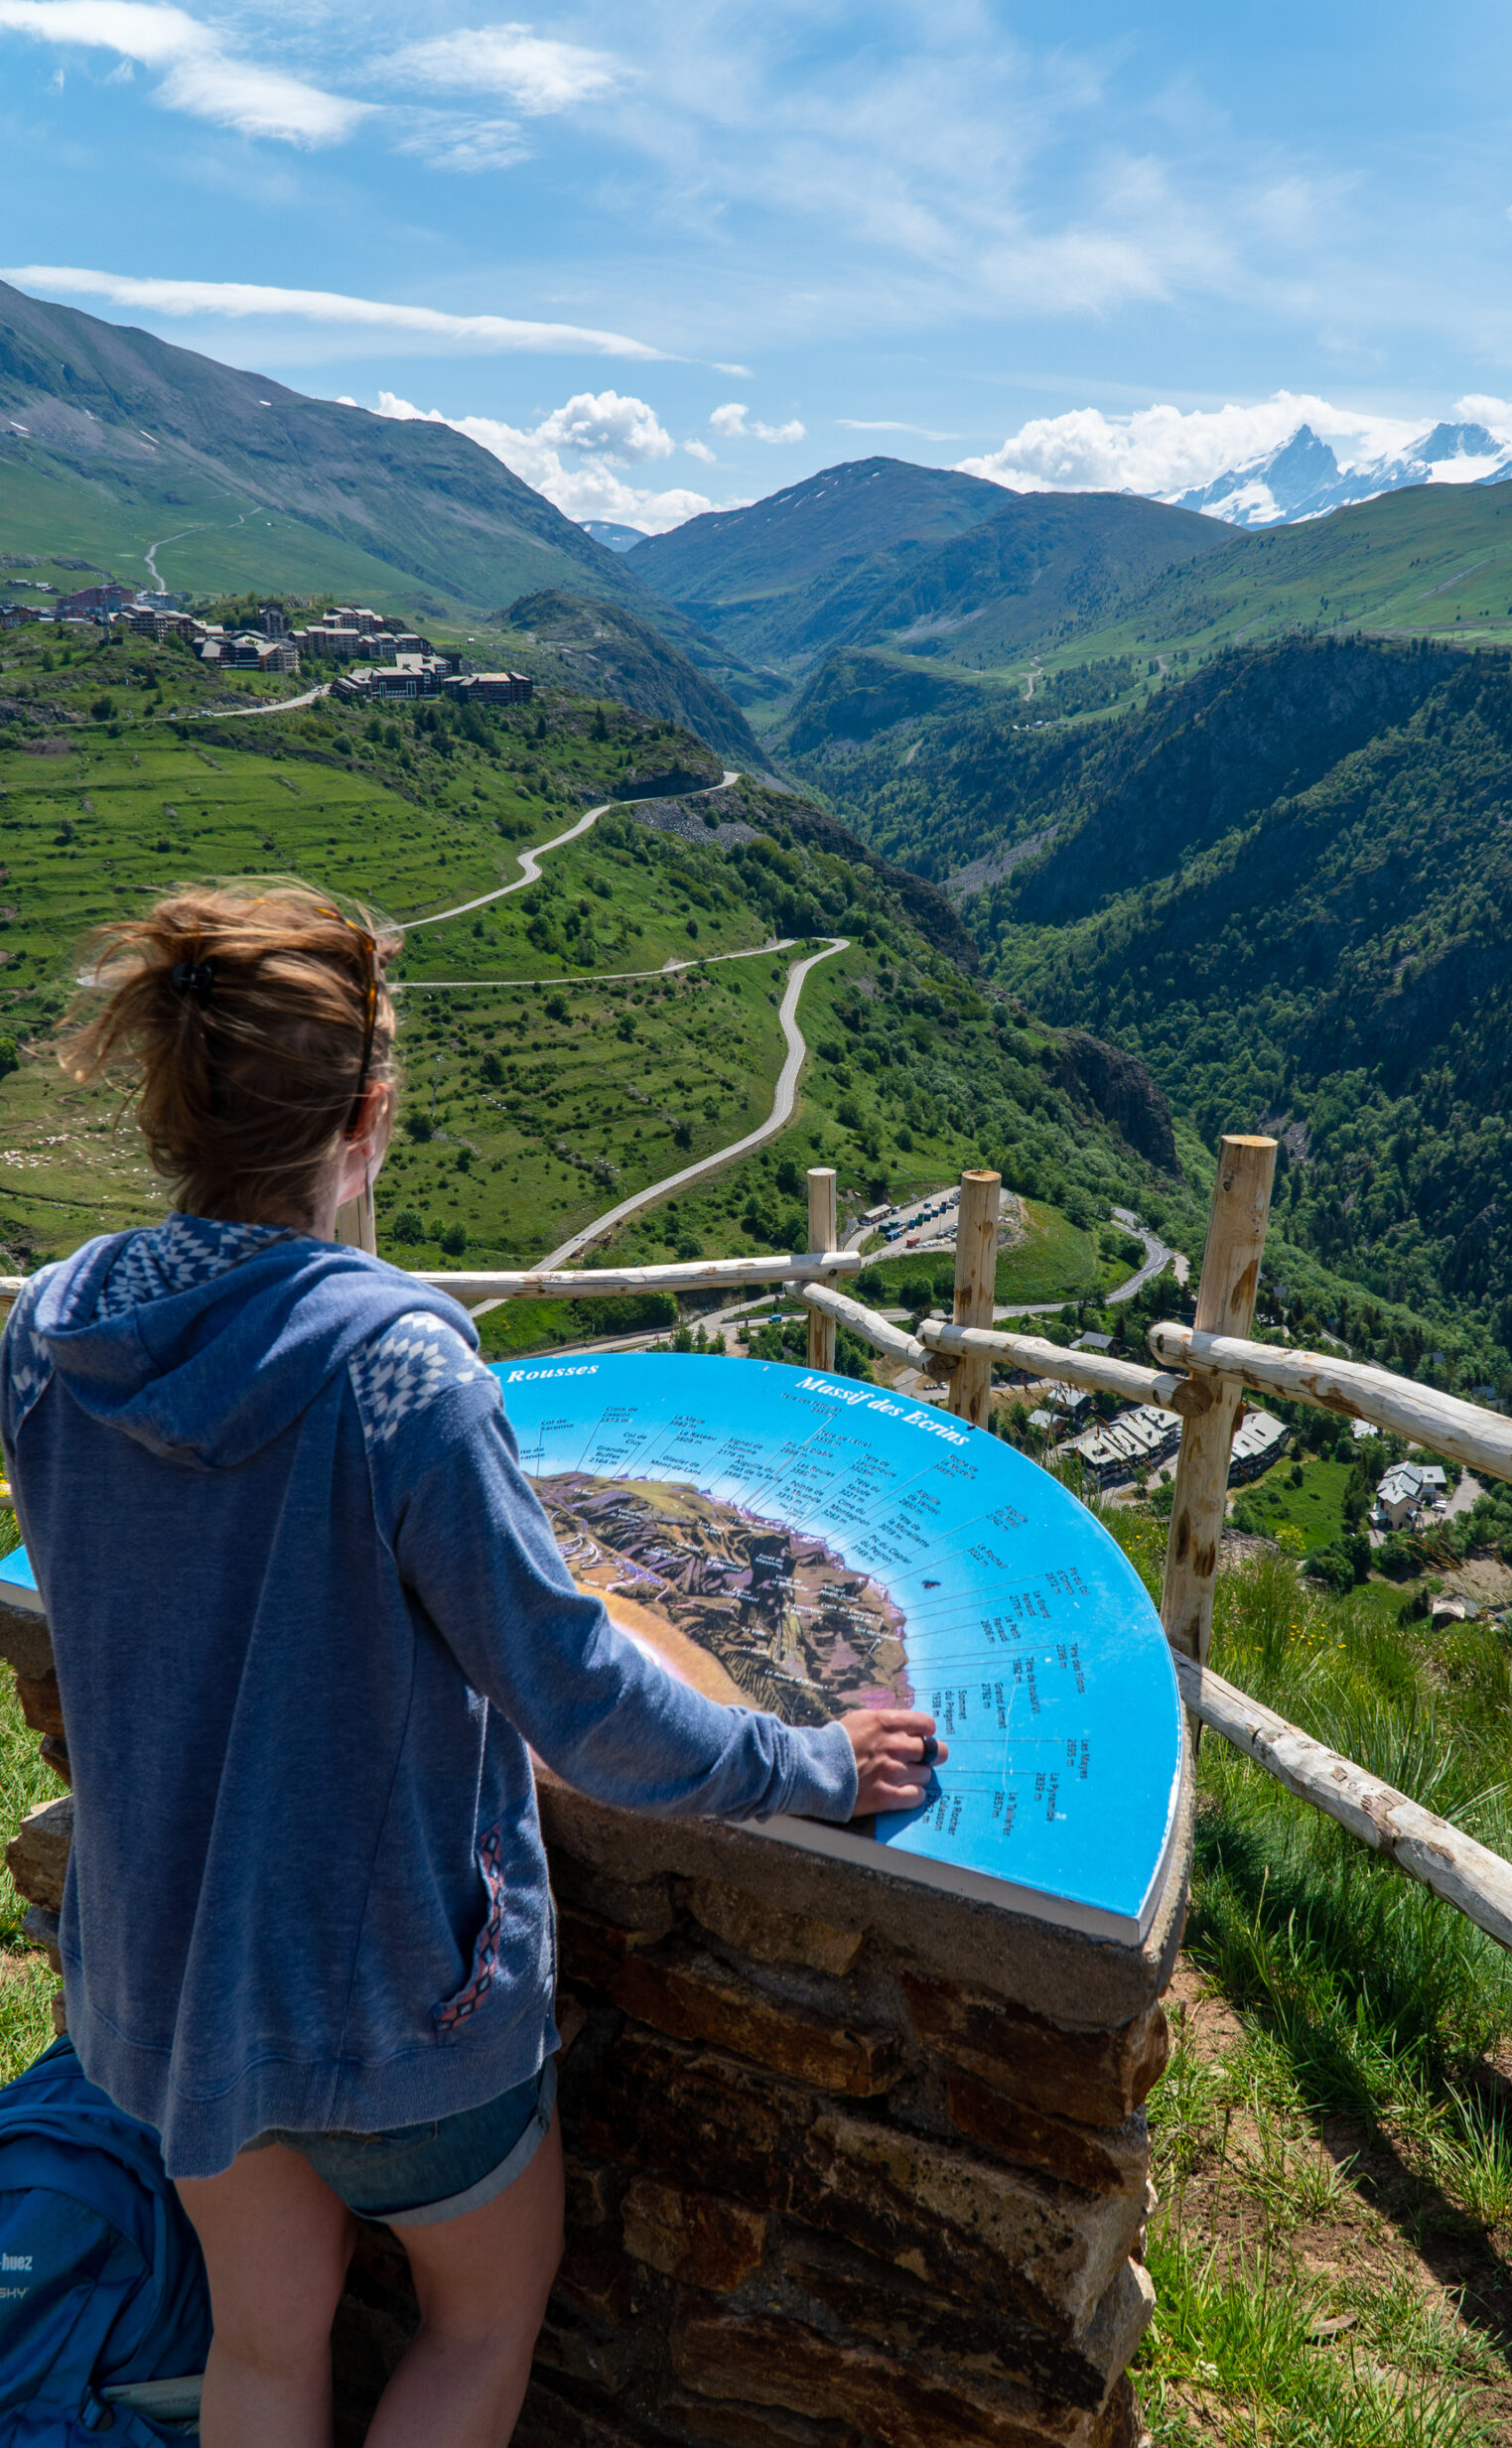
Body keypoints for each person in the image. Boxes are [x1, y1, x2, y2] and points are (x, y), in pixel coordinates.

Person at [0, 884, 943, 2448]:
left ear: (169, 1105)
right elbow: (575, 1692)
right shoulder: (401, 1373)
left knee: (263, 2345)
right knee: (482, 2319)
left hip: (168, 1996)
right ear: (370, 1109)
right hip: (395, 2014)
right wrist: (815, 1764)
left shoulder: (51, 1334)